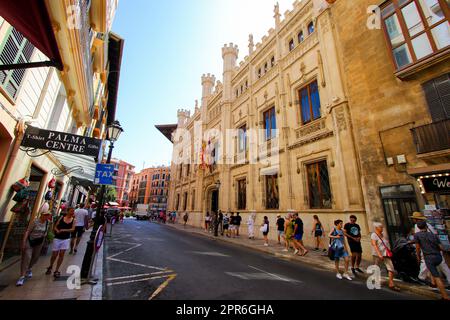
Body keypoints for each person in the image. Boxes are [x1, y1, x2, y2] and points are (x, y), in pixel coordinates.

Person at [411, 211, 450, 288]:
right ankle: (434, 282)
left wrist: (418, 254)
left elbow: (419, 240)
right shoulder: (428, 225)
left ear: (415, 219)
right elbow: (434, 235)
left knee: (425, 265)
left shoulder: (417, 226)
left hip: (427, 250)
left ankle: (421, 278)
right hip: (436, 248)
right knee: (443, 266)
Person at [16, 209, 52, 286]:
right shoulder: (35, 222)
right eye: (45, 215)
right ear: (41, 215)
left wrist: (45, 236)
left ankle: (29, 268)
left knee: (35, 257)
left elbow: (46, 231)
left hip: (39, 242)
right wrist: (23, 242)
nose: (46, 216)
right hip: (30, 241)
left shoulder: (47, 223)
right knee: (27, 257)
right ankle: (22, 276)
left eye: (47, 215)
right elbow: (27, 231)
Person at [414, 220, 449, 300]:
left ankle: (445, 296)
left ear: (418, 228)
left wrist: (418, 257)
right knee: (432, 269)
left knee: (437, 277)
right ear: (426, 226)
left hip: (429, 257)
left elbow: (418, 248)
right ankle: (433, 283)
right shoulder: (433, 235)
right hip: (438, 256)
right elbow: (441, 247)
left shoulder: (417, 235)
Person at [46, 207, 77, 278]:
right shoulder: (61, 218)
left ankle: (56, 270)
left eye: (73, 211)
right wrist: (57, 230)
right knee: (54, 254)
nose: (72, 213)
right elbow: (55, 227)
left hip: (66, 239)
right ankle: (50, 266)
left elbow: (73, 229)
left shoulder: (74, 220)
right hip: (57, 238)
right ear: (67, 211)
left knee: (61, 254)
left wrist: (63, 230)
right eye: (71, 211)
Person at [371, 222, 400, 291]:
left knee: (391, 268)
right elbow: (374, 245)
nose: (382, 228)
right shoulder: (374, 235)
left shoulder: (383, 234)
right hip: (377, 254)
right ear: (376, 228)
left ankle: (391, 283)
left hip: (386, 253)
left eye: (382, 227)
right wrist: (379, 254)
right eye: (380, 227)